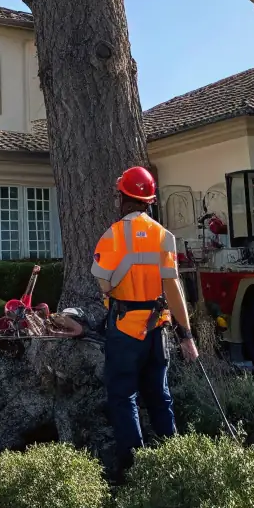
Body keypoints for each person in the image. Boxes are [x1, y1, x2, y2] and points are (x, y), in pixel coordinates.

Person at [92, 166, 198, 471]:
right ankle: (172, 463)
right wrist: (187, 336)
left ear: (123, 197)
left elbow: (103, 283)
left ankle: (135, 469)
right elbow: (174, 287)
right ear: (149, 200)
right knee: (159, 397)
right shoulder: (164, 237)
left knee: (124, 397)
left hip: (125, 330)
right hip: (158, 330)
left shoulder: (112, 236)